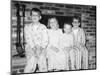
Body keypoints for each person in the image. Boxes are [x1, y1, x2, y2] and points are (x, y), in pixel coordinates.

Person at [24, 8, 48, 73]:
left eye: (36, 15)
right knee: (31, 62)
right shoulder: (27, 27)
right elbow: (28, 38)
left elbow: (45, 39)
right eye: (33, 15)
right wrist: (34, 48)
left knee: (42, 63)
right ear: (31, 16)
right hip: (31, 48)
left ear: (40, 17)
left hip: (41, 48)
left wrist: (41, 48)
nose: (34, 16)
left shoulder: (43, 27)